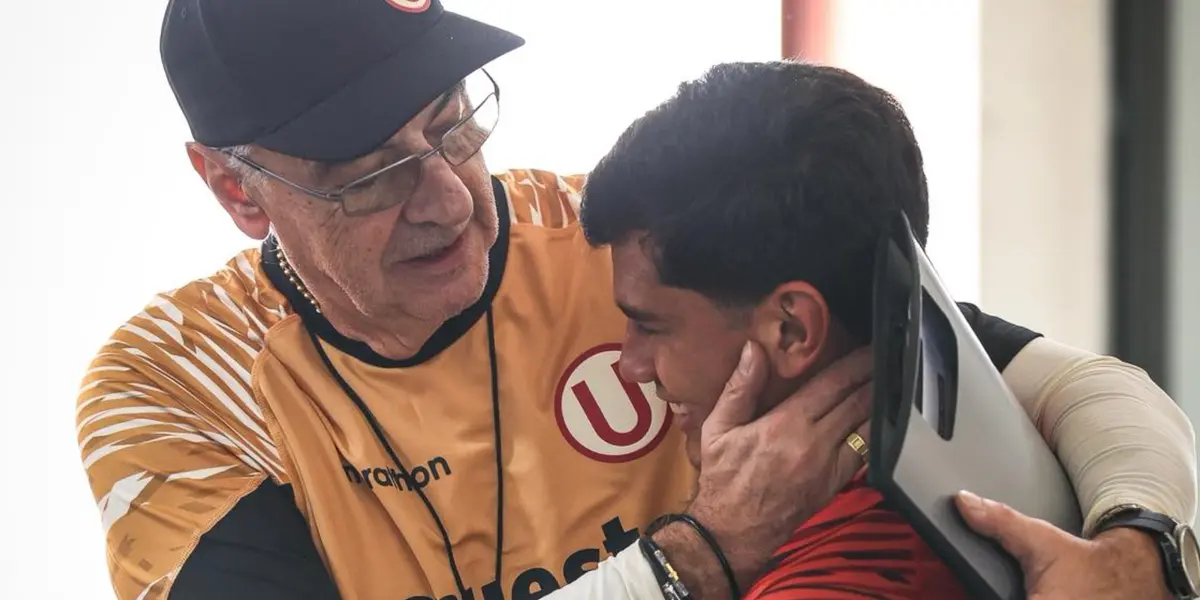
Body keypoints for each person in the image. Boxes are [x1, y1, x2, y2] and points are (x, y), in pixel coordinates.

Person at [74, 1, 1195, 599]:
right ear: (234, 187)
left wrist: (1142, 549)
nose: (445, 199)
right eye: (367, 172)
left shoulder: (613, 241)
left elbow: (1081, 389)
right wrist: (695, 558)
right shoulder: (173, 384)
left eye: (453, 120)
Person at [575, 59, 1186, 599]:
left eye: (650, 327)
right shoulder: (953, 402)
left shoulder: (840, 580)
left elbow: (1087, 385)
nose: (627, 364)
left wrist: (700, 555)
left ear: (791, 329)